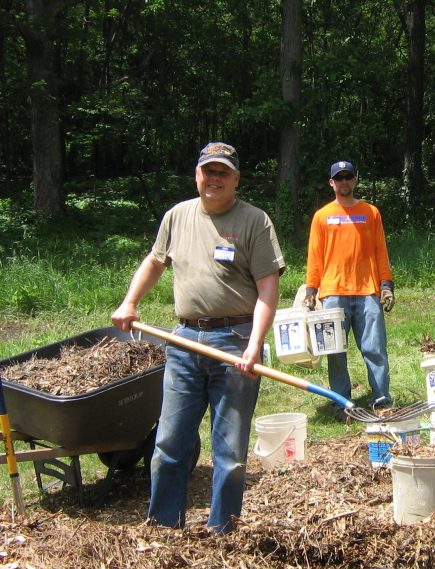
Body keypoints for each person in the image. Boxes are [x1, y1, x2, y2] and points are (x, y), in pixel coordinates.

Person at [112, 142, 285, 533]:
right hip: (185, 341)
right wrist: (129, 303)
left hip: (235, 340)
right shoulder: (177, 216)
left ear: (236, 179)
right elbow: (155, 262)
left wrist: (254, 345)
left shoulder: (255, 221)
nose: (215, 178)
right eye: (208, 171)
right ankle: (163, 527)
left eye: (223, 172)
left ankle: (222, 530)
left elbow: (268, 292)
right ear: (197, 175)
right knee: (170, 443)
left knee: (230, 451)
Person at [304, 160, 395, 420]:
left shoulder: (371, 212)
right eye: (339, 178)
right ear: (331, 182)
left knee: (375, 349)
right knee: (335, 353)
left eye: (348, 177)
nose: (344, 182)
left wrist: (386, 285)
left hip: (367, 292)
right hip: (332, 294)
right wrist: (311, 290)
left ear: (355, 179)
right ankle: (342, 404)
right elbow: (315, 256)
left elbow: (380, 252)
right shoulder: (322, 216)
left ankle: (381, 401)